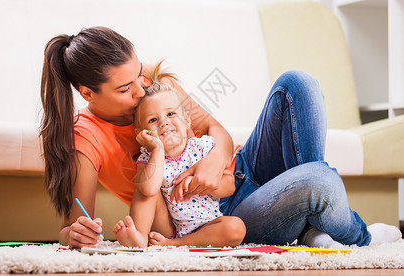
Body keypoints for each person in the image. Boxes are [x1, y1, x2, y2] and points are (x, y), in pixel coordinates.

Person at [40, 26, 401, 249]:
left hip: (242, 169)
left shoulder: (155, 87)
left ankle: (308, 225)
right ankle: (357, 237)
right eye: (125, 88)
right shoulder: (84, 140)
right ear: (88, 93)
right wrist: (76, 234)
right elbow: (72, 225)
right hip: (220, 217)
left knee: (298, 83)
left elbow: (218, 133)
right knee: (321, 179)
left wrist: (213, 163)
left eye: (139, 75)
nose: (142, 89)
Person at [112, 70, 246, 247]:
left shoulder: (201, 147)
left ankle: (174, 244)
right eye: (153, 119)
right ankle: (139, 237)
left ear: (187, 121)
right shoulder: (148, 157)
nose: (163, 123)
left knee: (236, 227)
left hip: (208, 225)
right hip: (168, 227)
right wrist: (157, 150)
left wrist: (198, 182)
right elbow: (147, 189)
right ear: (141, 133)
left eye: (171, 114)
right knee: (146, 188)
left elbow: (229, 185)